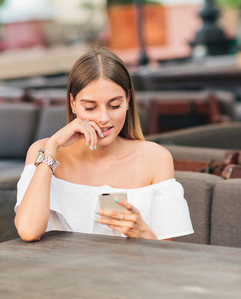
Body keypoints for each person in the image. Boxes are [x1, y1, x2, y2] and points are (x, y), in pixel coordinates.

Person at [15, 47, 194, 242]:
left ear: (127, 100)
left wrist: (142, 232)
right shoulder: (43, 152)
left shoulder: (155, 158)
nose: (103, 118)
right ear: (73, 104)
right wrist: (53, 144)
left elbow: (168, 257)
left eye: (114, 105)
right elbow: (28, 231)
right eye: (90, 107)